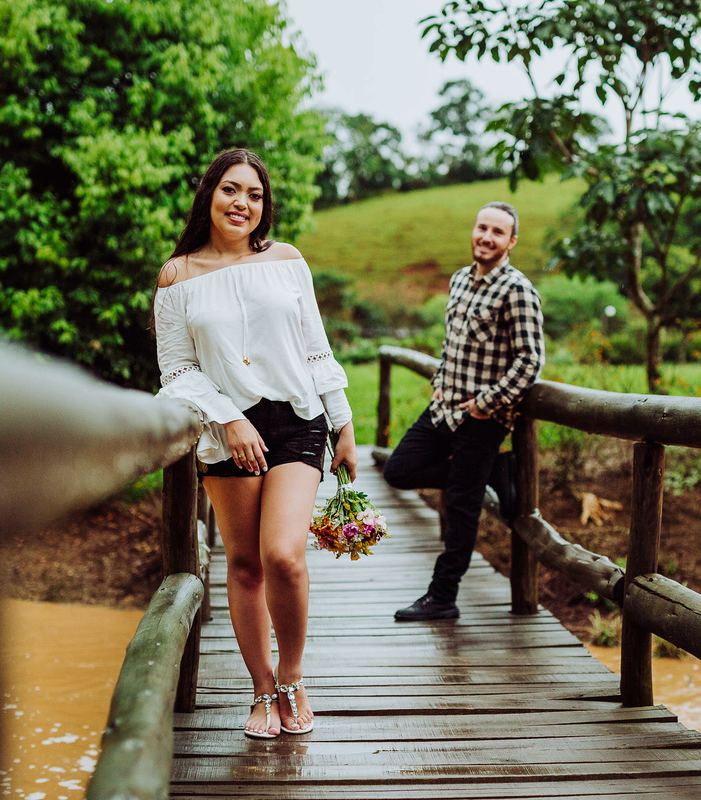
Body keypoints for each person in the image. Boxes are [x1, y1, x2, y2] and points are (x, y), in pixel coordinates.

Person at [152, 149, 357, 739]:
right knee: (244, 565)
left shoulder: (288, 261)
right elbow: (177, 372)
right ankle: (261, 691)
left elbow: (316, 349)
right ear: (209, 195)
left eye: (255, 195)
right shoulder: (177, 276)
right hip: (227, 433)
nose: (242, 203)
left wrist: (341, 423)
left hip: (297, 421)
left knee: (284, 556)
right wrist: (227, 418)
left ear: (264, 205)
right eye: (230, 190)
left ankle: (293, 680)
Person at [383, 201, 545, 621]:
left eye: (497, 232)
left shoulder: (517, 290)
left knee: (462, 507)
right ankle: (493, 470)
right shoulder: (459, 280)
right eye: (482, 228)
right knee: (398, 470)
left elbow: (530, 361)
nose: (486, 237)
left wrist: (487, 403)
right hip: (442, 408)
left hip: (481, 419)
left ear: (511, 242)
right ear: (474, 231)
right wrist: (440, 384)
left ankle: (443, 597)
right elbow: (452, 345)